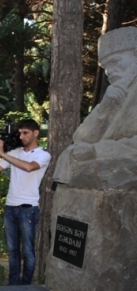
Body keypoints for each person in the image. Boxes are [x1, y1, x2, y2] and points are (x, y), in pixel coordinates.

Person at [54, 27, 137, 186]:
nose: (109, 72)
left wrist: (97, 151)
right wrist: (105, 107)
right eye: (105, 67)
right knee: (71, 154)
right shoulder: (118, 94)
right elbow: (81, 138)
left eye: (115, 62)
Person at [0, 119, 51, 285]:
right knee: (12, 251)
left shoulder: (43, 155)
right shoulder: (14, 153)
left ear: (36, 133)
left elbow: (29, 167)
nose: (21, 136)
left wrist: (4, 154)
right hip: (10, 207)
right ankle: (13, 286)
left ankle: (25, 286)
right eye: (20, 133)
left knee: (28, 251)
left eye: (25, 133)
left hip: (28, 209)